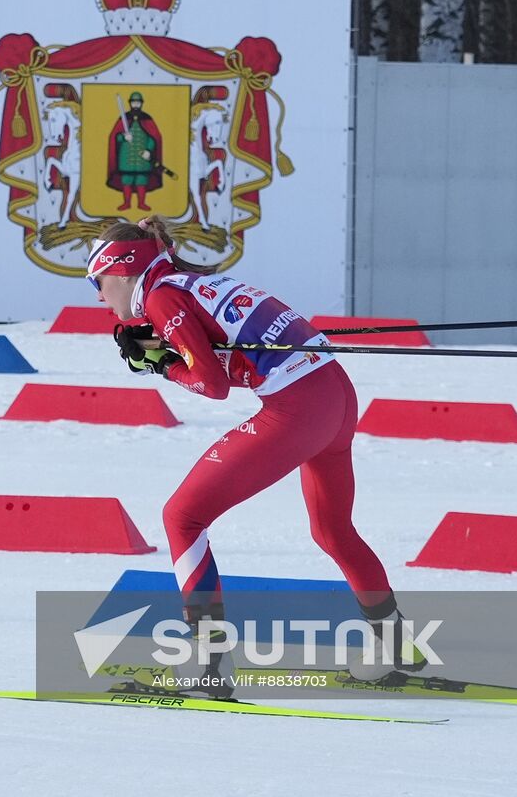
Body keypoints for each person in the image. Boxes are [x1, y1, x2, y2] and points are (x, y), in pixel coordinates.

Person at [85, 216, 425, 696]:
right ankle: (397, 646)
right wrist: (161, 351)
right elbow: (228, 353)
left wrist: (164, 366)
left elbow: (212, 383)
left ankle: (208, 663)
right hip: (335, 395)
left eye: (97, 282)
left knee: (181, 517)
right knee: (333, 530)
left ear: (120, 271)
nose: (99, 297)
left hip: (298, 407)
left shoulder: (162, 295)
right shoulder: (184, 283)